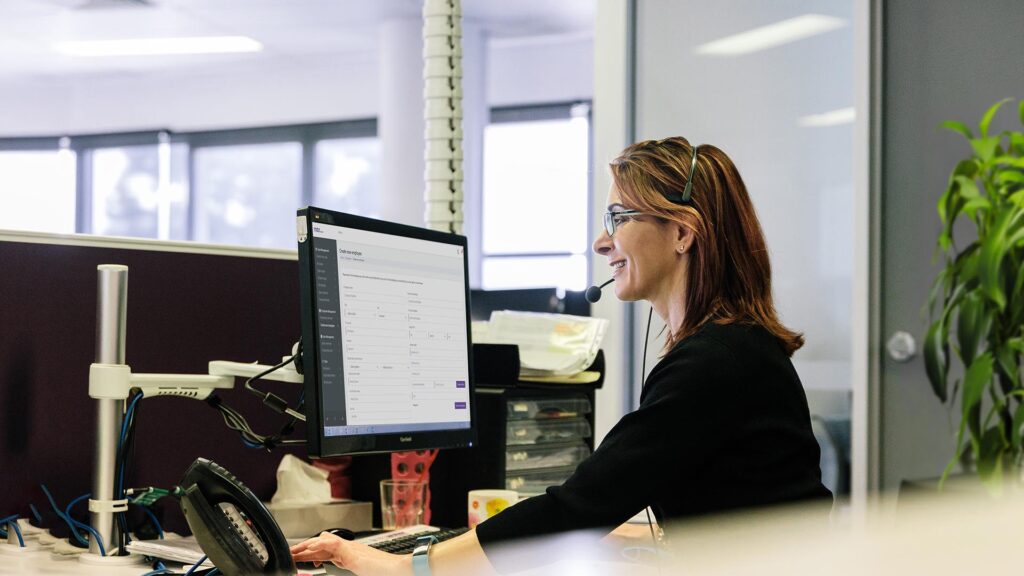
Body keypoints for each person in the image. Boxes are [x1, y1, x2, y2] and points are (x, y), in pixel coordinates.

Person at [290, 137, 833, 575]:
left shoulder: (716, 361)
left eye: (620, 217)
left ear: (683, 232)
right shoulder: (733, 347)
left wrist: (407, 569)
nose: (602, 241)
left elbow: (578, 507)